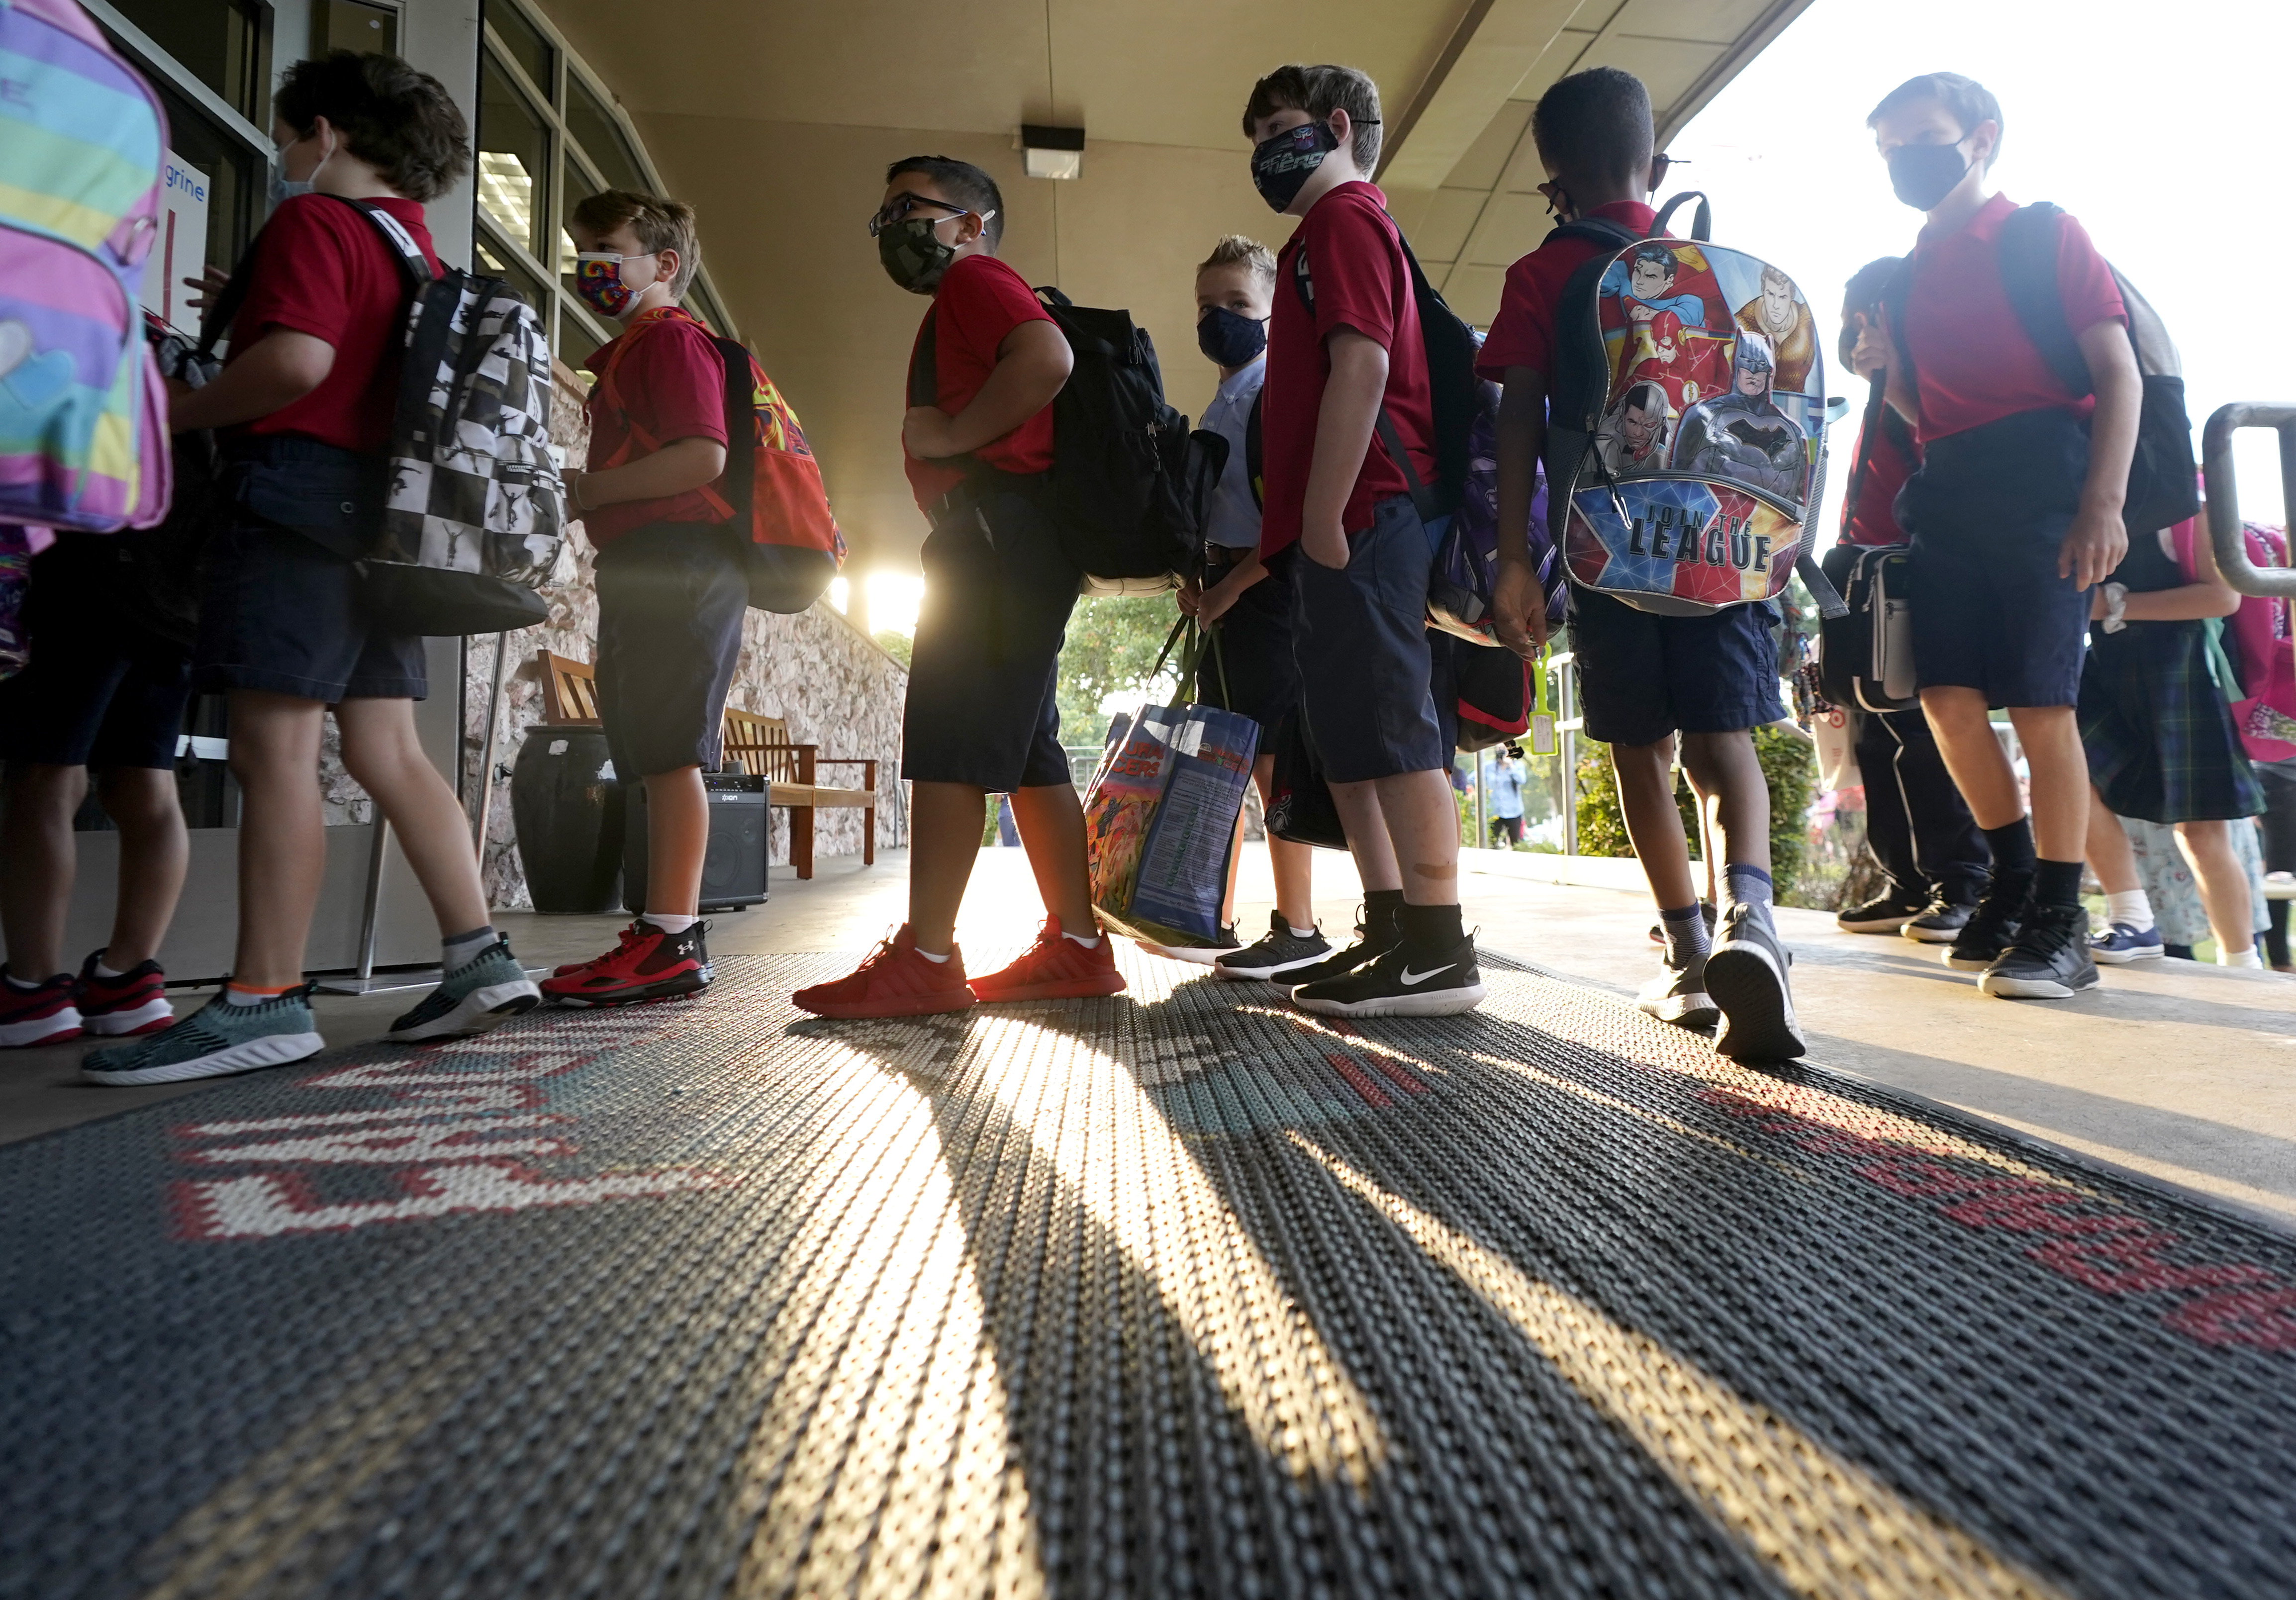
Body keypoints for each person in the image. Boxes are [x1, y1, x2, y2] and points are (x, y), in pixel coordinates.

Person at [83, 51, 539, 1086]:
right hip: (385, 520)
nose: (287, 153)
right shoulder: (413, 249)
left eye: (292, 134)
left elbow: (298, 366)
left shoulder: (312, 223)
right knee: (388, 746)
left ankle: (261, 998)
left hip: (295, 500)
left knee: (272, 747)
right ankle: (478, 955)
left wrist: (171, 410)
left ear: (324, 132)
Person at [1484, 66, 1803, 1061]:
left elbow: (1518, 423)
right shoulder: (1722, 273)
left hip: (1608, 549)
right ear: (1655, 165)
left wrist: (1512, 561)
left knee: (1640, 752)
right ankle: (1751, 916)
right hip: (1720, 543)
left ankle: (1684, 954)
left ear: (1552, 183)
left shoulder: (1542, 274)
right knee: (1724, 748)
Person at [795, 155, 1121, 1019]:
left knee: (949, 735)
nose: (891, 226)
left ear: (970, 222)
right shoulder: (972, 294)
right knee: (1029, 750)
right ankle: (1079, 945)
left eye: (910, 207)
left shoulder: (976, 280)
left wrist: (951, 437)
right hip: (1019, 541)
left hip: (992, 538)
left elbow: (1046, 356)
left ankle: (927, 958)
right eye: (885, 211)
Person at [1871, 72, 2139, 1000]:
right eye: (1890, 148)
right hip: (1949, 488)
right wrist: (1890, 377)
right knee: (1945, 699)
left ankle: (2063, 918)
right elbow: (1925, 414)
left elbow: (2118, 372)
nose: (1905, 161)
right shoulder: (1907, 273)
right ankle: (2014, 881)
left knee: (2039, 701)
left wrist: (2101, 504)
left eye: (1922, 139)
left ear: (1980, 138)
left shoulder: (2042, 235)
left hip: (2043, 481)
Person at [1234, 63, 1482, 1018]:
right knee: (1352, 731)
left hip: (1368, 510)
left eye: (1279, 129)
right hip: (1346, 519)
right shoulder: (1319, 234)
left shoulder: (1344, 221)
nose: (1263, 153)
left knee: (1394, 726)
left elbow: (1364, 363)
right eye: (1254, 140)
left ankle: (1437, 943)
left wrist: (1328, 510)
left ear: (1338, 126)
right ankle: (1391, 929)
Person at [542, 189, 740, 1007]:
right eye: (580, 250)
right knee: (652, 748)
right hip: (651, 561)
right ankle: (664, 928)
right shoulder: (632, 349)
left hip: (680, 560)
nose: (589, 265)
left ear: (663, 265)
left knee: (668, 751)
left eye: (606, 249)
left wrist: (587, 488)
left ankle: (672, 935)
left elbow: (704, 457)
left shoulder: (670, 342)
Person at [1172, 234, 1334, 983]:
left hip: (1264, 594)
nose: (1219, 319)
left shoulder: (1274, 391)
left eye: (1237, 304)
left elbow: (1288, 518)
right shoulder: (1227, 394)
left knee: (1271, 763)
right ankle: (1213, 914)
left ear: (1274, 311)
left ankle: (1298, 925)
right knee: (1232, 758)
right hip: (1226, 593)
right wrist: (1200, 583)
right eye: (1207, 305)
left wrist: (1229, 589)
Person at [1827, 257, 1991, 941]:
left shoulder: (1924, 387)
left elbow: (1947, 459)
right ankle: (1909, 880)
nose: (1853, 333)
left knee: (1922, 737)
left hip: (1912, 578)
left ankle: (1963, 882)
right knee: (1877, 734)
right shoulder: (1877, 393)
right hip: (1868, 580)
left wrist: (1892, 380)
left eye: (1862, 317)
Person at [0, 538, 191, 1045]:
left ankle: (31, 991)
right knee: (148, 778)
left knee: (46, 775)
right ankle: (126, 984)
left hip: (81, 568)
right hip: (175, 584)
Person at [2080, 511, 2263, 966]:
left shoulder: (2191, 508)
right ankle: (2132, 918)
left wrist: (2111, 603)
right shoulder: (2070, 502)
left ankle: (2242, 963)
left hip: (2181, 676)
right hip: (2104, 675)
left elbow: (2223, 596)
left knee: (2201, 831)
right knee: (2070, 786)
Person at [1487, 744, 1529, 847]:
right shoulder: (1488, 767)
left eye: (1505, 750)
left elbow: (1522, 780)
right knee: (1492, 842)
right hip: (1495, 811)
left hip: (1514, 811)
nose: (1502, 753)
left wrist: (1511, 766)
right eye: (1500, 750)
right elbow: (1473, 779)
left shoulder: (1518, 766)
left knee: (1516, 843)